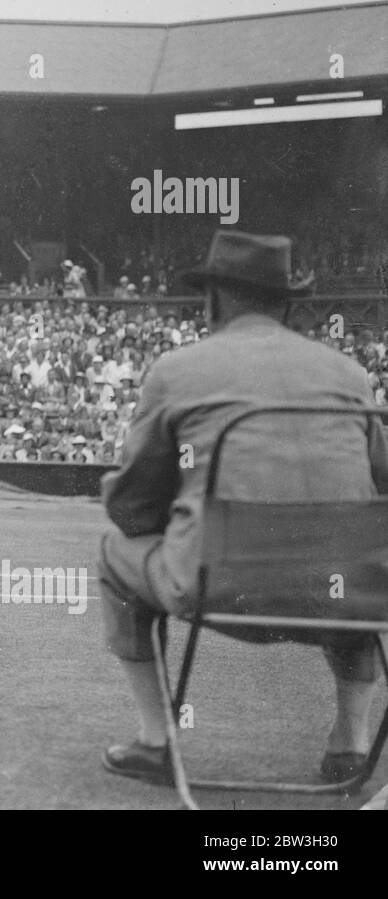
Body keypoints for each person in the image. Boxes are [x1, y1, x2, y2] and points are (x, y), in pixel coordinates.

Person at [98, 230, 388, 785]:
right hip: (345, 592)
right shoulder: (349, 374)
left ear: (215, 299)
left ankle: (156, 741)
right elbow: (382, 480)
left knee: (116, 555)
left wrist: (174, 516)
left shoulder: (178, 370)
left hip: (219, 583)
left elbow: (131, 505)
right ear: (287, 303)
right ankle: (350, 743)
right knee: (347, 553)